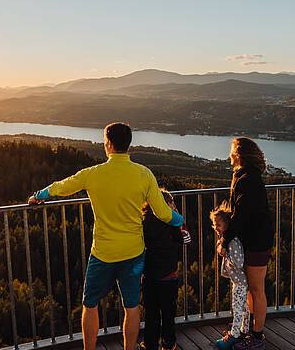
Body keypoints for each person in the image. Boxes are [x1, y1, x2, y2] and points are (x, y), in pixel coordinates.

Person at [28, 122, 184, 350]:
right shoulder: (144, 174)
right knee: (131, 307)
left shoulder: (93, 174)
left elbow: (61, 187)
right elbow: (162, 213)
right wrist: (181, 221)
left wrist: (38, 196)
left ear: (108, 144)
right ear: (128, 144)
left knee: (90, 304)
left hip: (103, 253)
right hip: (133, 253)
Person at [217, 137, 272, 350]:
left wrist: (225, 239)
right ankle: (248, 328)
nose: (229, 154)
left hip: (257, 241)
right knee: (250, 288)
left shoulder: (248, 179)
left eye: (232, 151)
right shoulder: (246, 176)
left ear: (239, 154)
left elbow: (241, 215)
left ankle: (257, 336)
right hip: (251, 239)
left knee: (257, 289)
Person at [140, 189, 191, 350]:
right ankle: (169, 344)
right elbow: (186, 239)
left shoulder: (145, 221)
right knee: (168, 313)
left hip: (149, 275)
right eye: (171, 202)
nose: (174, 205)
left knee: (151, 313)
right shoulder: (171, 223)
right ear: (166, 205)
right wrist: (177, 218)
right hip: (168, 276)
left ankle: (150, 344)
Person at [211, 202, 249, 349]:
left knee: (237, 307)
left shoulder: (232, 242)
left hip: (240, 282)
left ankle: (233, 335)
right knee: (244, 307)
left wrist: (225, 253)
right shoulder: (228, 240)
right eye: (214, 225)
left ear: (227, 224)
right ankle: (244, 329)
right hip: (239, 280)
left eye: (218, 225)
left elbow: (238, 262)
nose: (216, 228)